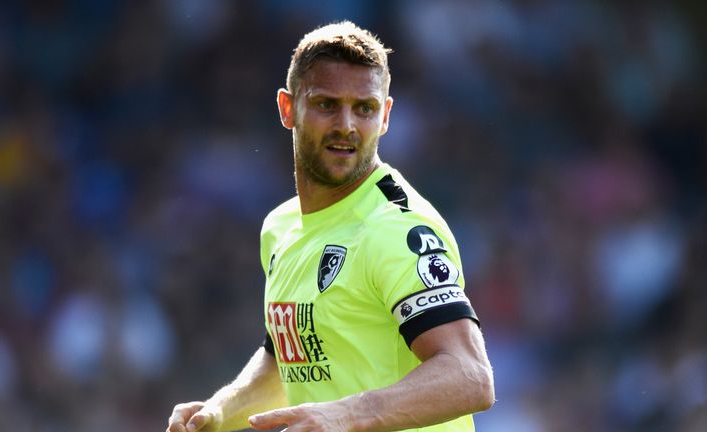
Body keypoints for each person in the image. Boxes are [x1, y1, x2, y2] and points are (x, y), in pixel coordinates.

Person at [167, 21, 495, 432]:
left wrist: (345, 414)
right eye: (326, 104)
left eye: (365, 108)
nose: (346, 125)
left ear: (386, 116)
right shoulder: (281, 227)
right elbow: (292, 360)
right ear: (288, 109)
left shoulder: (395, 228)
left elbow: (470, 376)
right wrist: (217, 413)